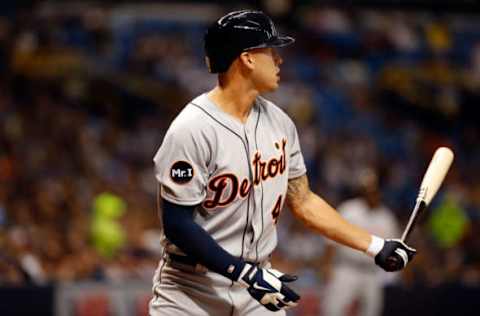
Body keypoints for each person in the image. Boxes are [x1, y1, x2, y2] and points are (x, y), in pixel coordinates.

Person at [149, 10, 416, 316]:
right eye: (271, 51)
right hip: (190, 291)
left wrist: (376, 246)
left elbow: (302, 200)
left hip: (257, 286)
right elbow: (177, 224)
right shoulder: (192, 128)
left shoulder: (280, 123)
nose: (279, 60)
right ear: (248, 59)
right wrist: (244, 273)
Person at [322, 169, 400, 316]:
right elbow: (331, 238)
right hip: (346, 268)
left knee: (371, 312)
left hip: (372, 272)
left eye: (374, 189)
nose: (371, 193)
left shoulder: (387, 218)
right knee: (332, 310)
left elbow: (393, 249)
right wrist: (327, 264)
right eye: (368, 189)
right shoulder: (349, 210)